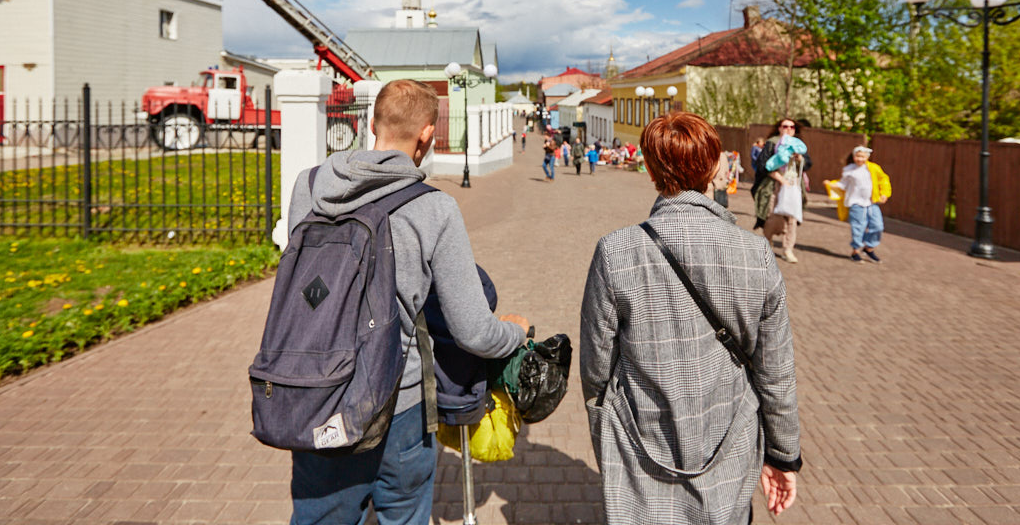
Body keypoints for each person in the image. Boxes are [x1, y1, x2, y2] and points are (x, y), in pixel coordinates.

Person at [286, 79, 530, 525]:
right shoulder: (433, 208)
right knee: (403, 514)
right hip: (397, 404)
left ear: (371, 124)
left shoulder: (309, 185)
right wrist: (516, 330)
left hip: (312, 391)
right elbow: (473, 331)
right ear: (427, 134)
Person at [581, 111, 801, 525]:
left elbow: (597, 372)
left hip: (640, 444)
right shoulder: (755, 254)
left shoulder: (616, 251)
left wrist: (606, 440)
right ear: (715, 168)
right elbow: (776, 373)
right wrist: (783, 455)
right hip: (730, 444)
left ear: (650, 171)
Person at [751, 119, 809, 263]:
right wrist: (779, 178)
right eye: (785, 126)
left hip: (793, 185)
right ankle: (767, 243)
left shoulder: (798, 145)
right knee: (771, 215)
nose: (788, 129)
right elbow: (762, 165)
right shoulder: (772, 143)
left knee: (792, 219)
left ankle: (788, 249)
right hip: (774, 185)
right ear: (779, 128)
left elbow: (808, 164)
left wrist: (800, 159)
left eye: (792, 127)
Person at [835, 145, 891, 263]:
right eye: (858, 156)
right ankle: (855, 251)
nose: (860, 159)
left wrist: (884, 193)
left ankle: (869, 248)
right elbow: (843, 184)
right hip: (856, 203)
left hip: (871, 202)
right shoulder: (849, 169)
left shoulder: (873, 168)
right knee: (858, 227)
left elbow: (883, 179)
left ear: (867, 157)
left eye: (862, 156)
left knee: (878, 226)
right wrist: (831, 185)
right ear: (853, 157)